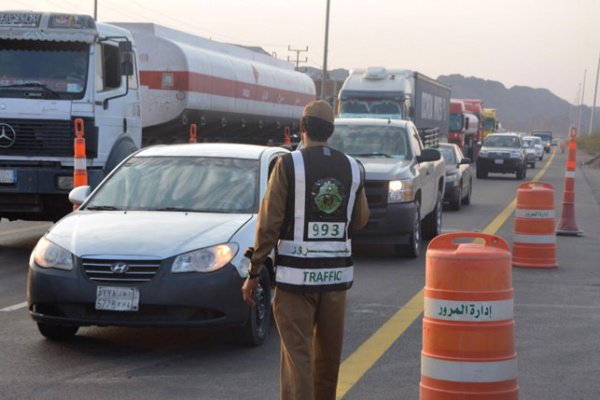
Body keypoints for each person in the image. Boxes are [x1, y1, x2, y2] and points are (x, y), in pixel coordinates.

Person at [242, 100, 370, 400]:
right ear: (331, 131)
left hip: (295, 282)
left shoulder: (289, 164)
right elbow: (362, 219)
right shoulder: (353, 167)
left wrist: (254, 270)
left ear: (302, 128)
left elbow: (270, 224)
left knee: (297, 359)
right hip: (336, 282)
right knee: (327, 362)